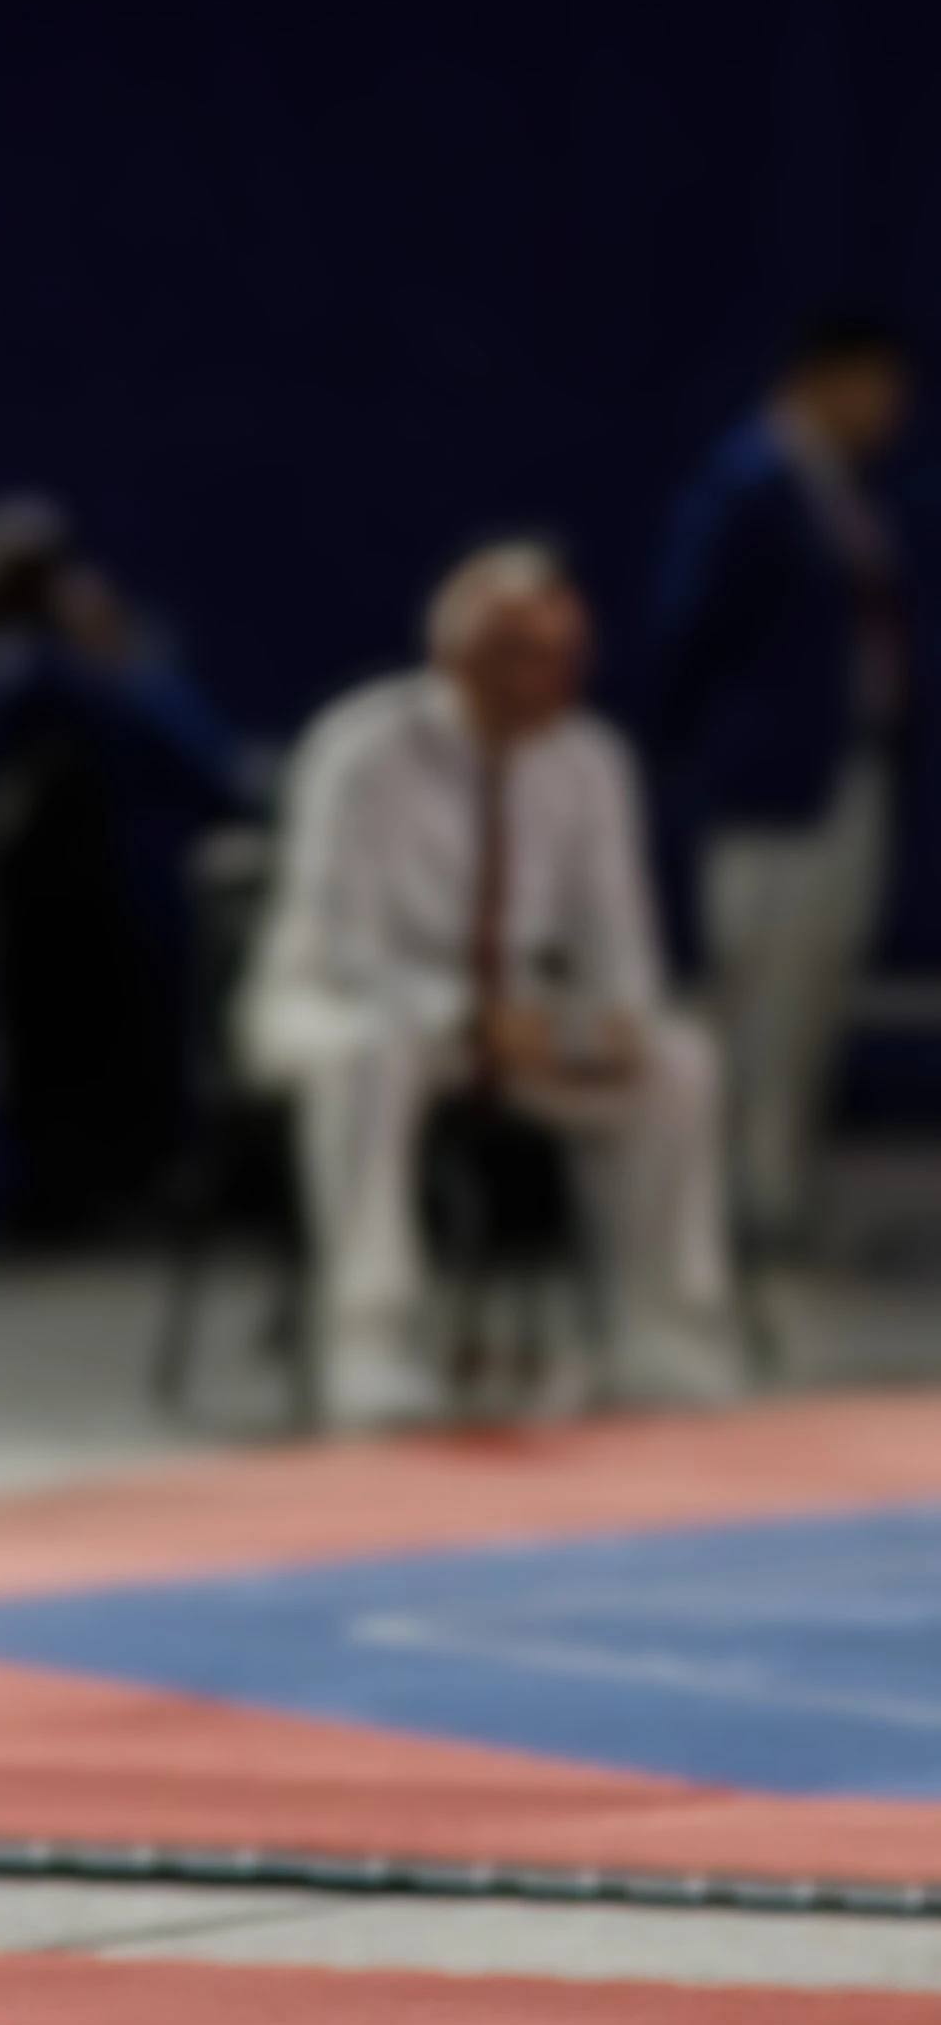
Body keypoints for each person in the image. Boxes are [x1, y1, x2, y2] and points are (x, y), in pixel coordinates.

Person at [244, 541, 736, 1428]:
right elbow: (342, 945)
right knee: (370, 1053)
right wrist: (470, 1017)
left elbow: (619, 945)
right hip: (345, 1009)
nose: (543, 678)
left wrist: (608, 1022)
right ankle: (368, 1338)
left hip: (518, 1025)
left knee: (678, 1058)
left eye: (561, 656)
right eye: (519, 655)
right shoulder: (360, 752)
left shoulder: (592, 763)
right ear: (453, 655)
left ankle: (655, 1329)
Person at [640, 311, 907, 1263]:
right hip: (767, 789)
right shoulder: (745, 485)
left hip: (850, 772)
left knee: (814, 996)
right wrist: (694, 756)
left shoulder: (839, 490)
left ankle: (777, 1197)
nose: (892, 409)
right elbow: (686, 631)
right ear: (823, 378)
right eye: (878, 385)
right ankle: (722, 1215)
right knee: (754, 1000)